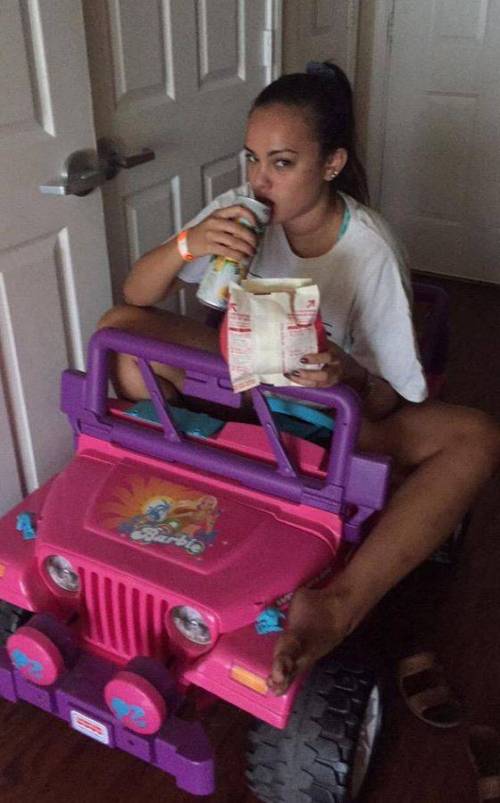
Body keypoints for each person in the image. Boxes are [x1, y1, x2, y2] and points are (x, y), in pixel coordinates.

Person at [98, 62, 500, 701]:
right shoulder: (238, 210)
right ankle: (201, 469)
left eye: (282, 163)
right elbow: (135, 296)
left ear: (332, 164)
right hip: (237, 387)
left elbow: (387, 397)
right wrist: (187, 244)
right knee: (119, 328)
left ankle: (339, 604)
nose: (260, 181)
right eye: (252, 159)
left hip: (323, 409)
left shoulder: (370, 249)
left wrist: (344, 370)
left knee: (476, 437)